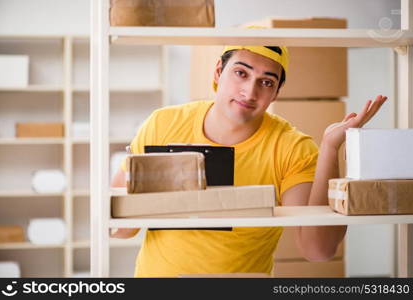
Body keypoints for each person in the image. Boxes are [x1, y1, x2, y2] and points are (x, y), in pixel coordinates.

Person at [110, 45, 388, 277]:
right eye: (240, 73)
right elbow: (121, 229)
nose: (250, 91)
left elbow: (317, 250)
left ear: (276, 92)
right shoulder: (164, 123)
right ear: (218, 71)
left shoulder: (292, 147)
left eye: (266, 82)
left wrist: (330, 146)